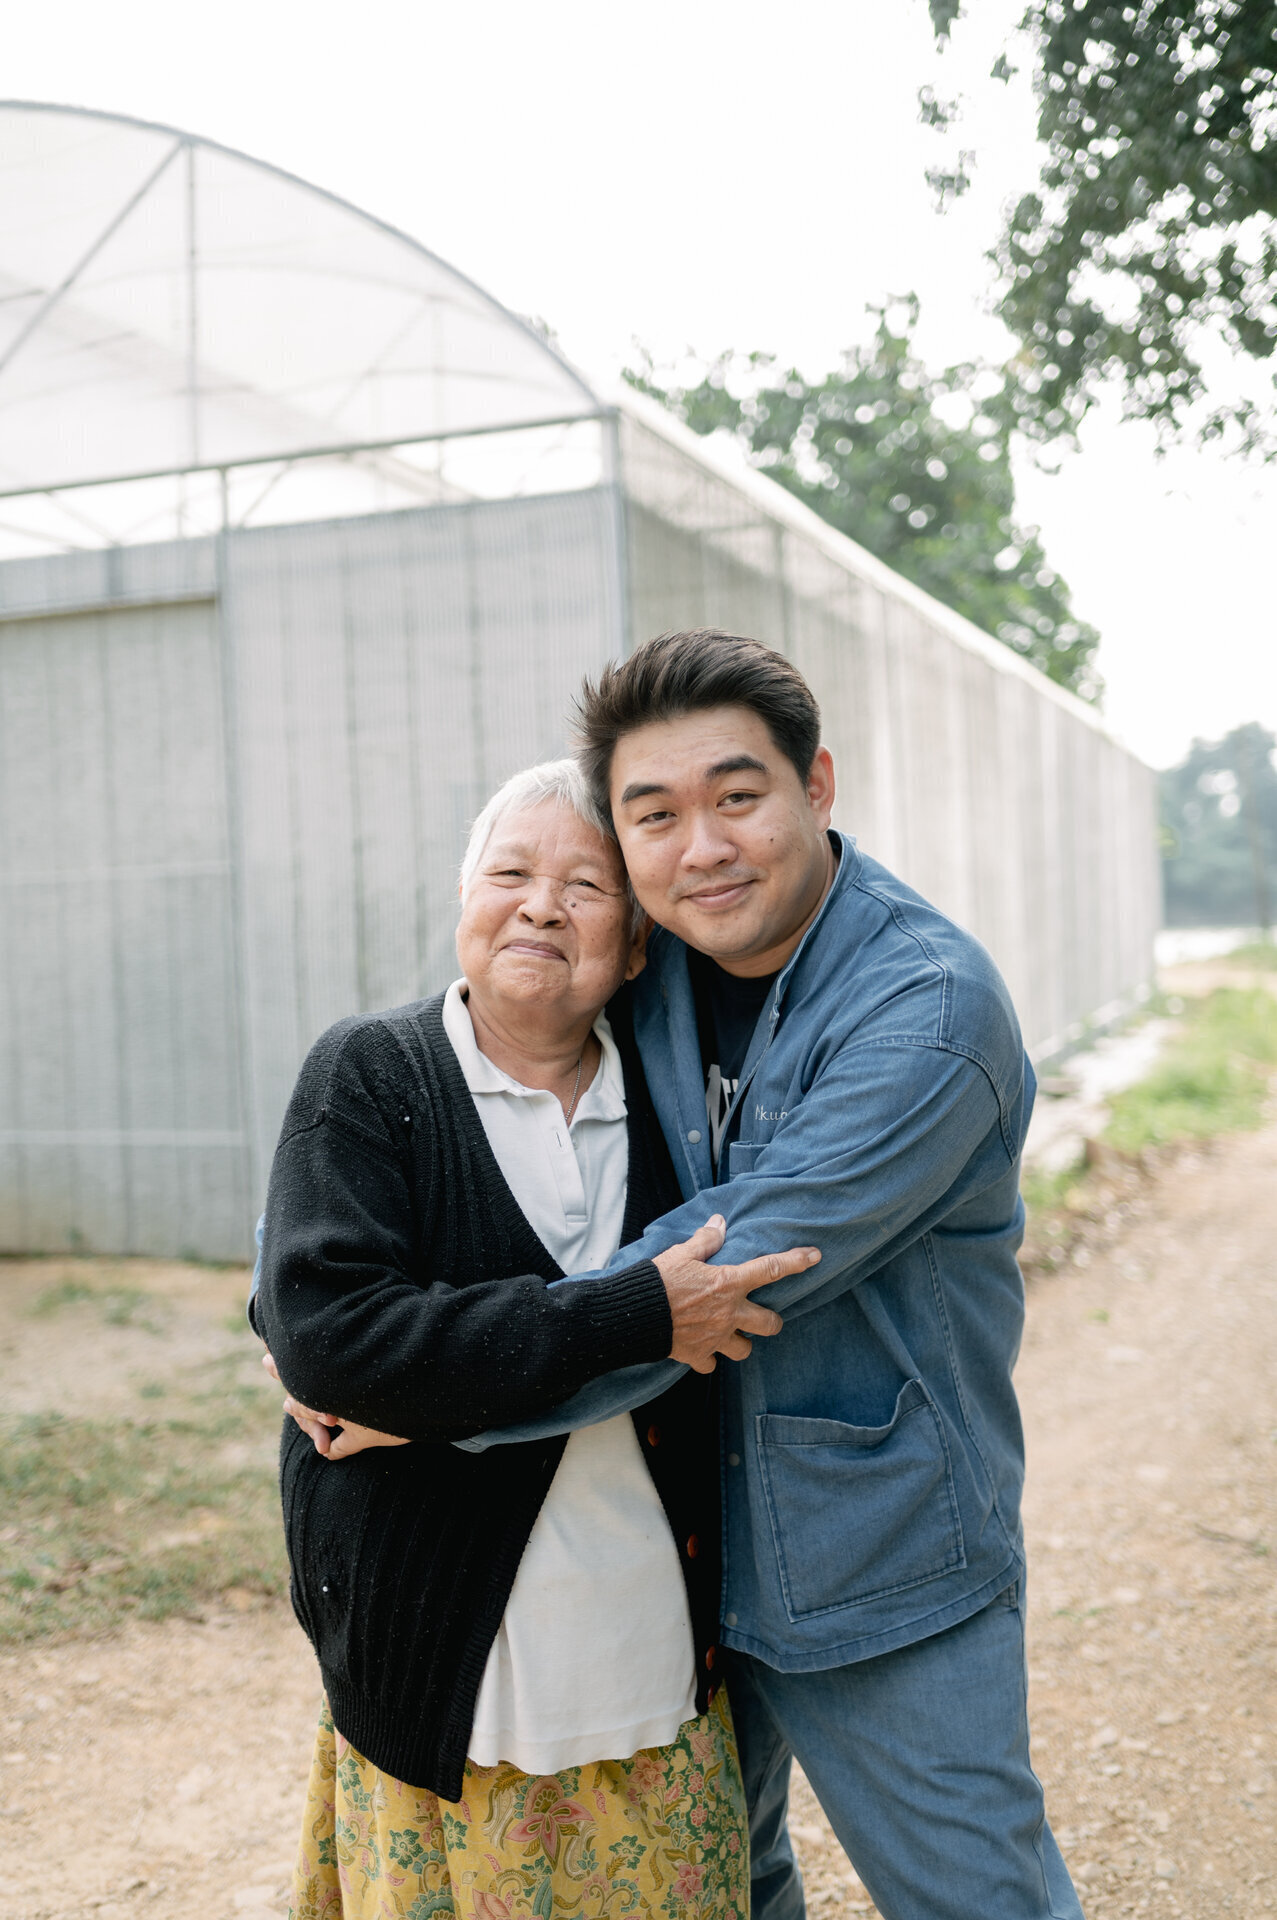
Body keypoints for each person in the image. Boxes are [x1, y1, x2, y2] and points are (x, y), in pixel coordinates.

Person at [451, 630, 1086, 1920]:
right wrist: (307, 1298)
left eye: (737, 798)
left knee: (975, 1897)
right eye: (656, 815)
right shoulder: (646, 960)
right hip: (673, 1541)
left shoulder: (928, 1006)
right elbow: (439, 1086)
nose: (702, 848)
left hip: (880, 1551)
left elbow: (734, 1261)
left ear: (818, 788)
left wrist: (432, 1389)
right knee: (715, 1888)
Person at [252, 758, 820, 1920]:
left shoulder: (678, 1112)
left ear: (637, 943)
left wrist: (433, 1356)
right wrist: (632, 1312)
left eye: (586, 886)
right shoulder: (369, 1074)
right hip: (444, 1663)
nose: (540, 905)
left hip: (651, 1647)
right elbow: (332, 1332)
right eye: (508, 873)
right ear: (461, 903)